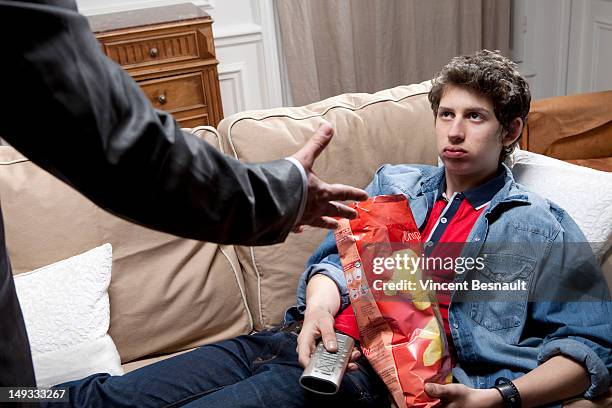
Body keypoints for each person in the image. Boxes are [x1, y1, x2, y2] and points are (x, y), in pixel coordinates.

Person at [46, 50, 611, 408]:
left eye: (476, 117)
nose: (455, 133)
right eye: (447, 114)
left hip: (369, 379)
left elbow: (591, 347)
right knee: (108, 394)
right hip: (294, 340)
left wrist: (500, 398)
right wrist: (318, 309)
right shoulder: (396, 184)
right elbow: (333, 260)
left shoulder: (538, 226)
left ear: (511, 129)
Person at [0, 0, 368, 392]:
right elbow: (115, 142)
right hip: (277, 339)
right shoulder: (395, 183)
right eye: (443, 114)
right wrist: (285, 195)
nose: (446, 133)